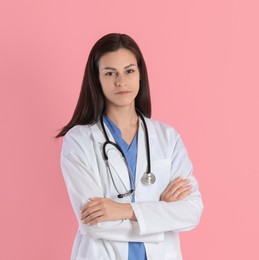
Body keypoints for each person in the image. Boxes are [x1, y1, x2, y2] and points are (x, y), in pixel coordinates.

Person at [56, 33, 203, 260]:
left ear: (140, 75)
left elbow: (191, 212)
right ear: (96, 79)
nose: (121, 81)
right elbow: (94, 225)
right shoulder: (79, 140)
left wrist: (125, 210)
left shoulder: (167, 137)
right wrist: (160, 215)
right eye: (110, 73)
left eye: (129, 71)